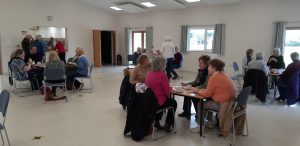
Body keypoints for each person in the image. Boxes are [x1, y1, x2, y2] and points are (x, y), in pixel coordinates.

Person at [192, 59, 236, 127]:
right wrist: (203, 91)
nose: (208, 68)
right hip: (231, 104)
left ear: (214, 68)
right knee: (208, 101)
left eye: (209, 66)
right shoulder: (224, 74)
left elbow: (207, 94)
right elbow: (212, 90)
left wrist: (197, 91)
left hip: (223, 105)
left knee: (200, 104)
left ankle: (199, 126)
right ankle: (210, 122)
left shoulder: (214, 77)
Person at [145, 57, 177, 133]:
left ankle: (156, 121)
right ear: (161, 65)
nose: (166, 65)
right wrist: (168, 94)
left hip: (149, 102)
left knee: (165, 101)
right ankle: (168, 124)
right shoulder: (162, 75)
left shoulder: (149, 74)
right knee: (173, 103)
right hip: (157, 102)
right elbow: (167, 92)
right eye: (165, 64)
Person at [178, 55, 211, 119]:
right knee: (186, 92)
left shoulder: (208, 72)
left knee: (194, 97)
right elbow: (195, 82)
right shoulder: (200, 71)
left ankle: (199, 114)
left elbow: (205, 85)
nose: (199, 64)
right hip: (199, 88)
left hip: (204, 89)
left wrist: (196, 88)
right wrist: (186, 84)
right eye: (199, 62)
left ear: (206, 64)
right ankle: (186, 112)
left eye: (201, 63)